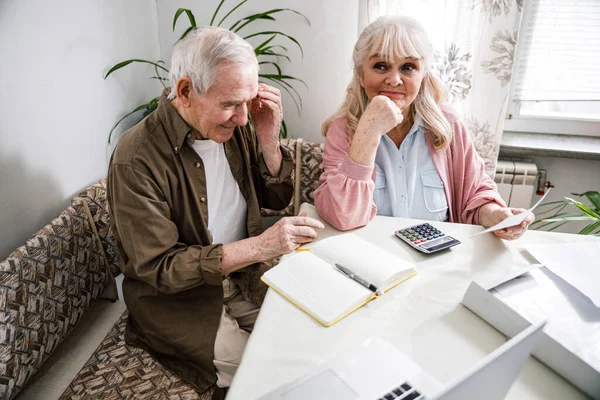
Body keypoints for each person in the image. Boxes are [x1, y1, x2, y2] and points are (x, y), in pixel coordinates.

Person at [107, 26, 324, 396]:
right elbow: (159, 269)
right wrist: (260, 247)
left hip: (243, 276)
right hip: (179, 301)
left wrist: (270, 142)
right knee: (267, 373)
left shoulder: (235, 127)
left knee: (310, 340)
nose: (242, 118)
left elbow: (274, 200)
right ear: (186, 91)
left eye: (248, 101)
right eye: (229, 104)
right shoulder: (136, 159)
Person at [314, 16, 533, 240]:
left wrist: (495, 215)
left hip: (436, 259)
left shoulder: (447, 124)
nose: (394, 79)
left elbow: (475, 193)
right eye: (381, 66)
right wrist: (368, 133)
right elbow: (343, 216)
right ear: (361, 75)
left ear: (423, 75)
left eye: (408, 67)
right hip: (372, 261)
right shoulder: (343, 130)